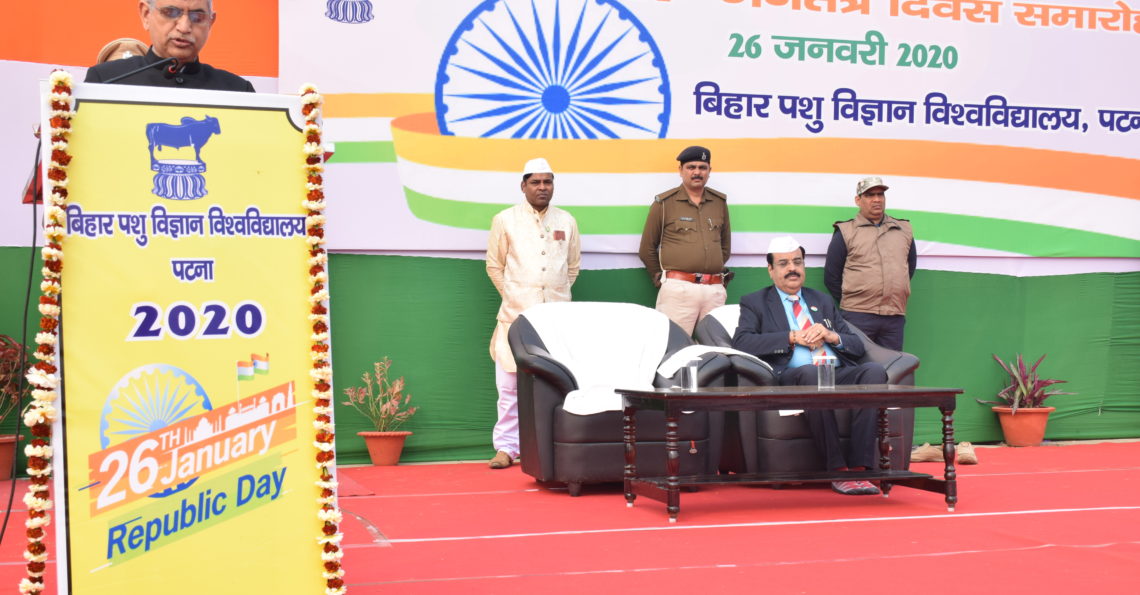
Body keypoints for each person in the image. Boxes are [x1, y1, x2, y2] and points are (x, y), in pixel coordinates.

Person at [732, 236, 888, 496]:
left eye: (797, 262)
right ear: (770, 270)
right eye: (783, 264)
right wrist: (792, 337)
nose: (792, 268)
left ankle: (861, 468)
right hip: (795, 376)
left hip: (835, 371)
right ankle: (837, 469)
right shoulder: (755, 302)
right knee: (811, 373)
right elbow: (742, 342)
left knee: (873, 371)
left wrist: (830, 335)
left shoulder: (822, 300)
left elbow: (857, 346)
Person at [485, 158, 581, 469]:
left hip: (556, 320)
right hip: (515, 316)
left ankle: (552, 445)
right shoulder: (505, 220)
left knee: (556, 384)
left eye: (547, 182)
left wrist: (554, 295)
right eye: (536, 182)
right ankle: (506, 448)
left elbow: (573, 267)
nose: (542, 187)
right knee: (509, 386)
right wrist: (514, 295)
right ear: (523, 186)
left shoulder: (566, 220)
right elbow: (494, 266)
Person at [638, 146, 731, 335]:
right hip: (678, 290)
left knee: (714, 346)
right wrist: (663, 280)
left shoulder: (719, 203)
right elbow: (647, 249)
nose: (697, 172)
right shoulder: (664, 204)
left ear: (709, 171)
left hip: (713, 290)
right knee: (675, 344)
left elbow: (724, 246)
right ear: (681, 170)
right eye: (691, 167)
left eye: (702, 167)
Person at [824, 176, 916, 351]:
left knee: (893, 364)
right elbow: (831, 276)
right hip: (857, 316)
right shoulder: (846, 231)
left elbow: (908, 268)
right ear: (858, 200)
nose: (877, 199)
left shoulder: (903, 229)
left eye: (880, 194)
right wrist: (855, 301)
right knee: (858, 363)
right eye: (869, 195)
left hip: (894, 316)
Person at [84, 0, 255, 92]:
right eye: (171, 13)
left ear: (210, 22)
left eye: (197, 17)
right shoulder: (106, 79)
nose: (184, 27)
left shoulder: (237, 90)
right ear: (146, 14)